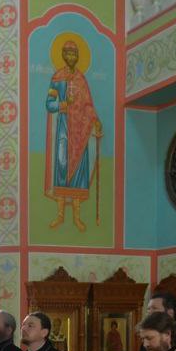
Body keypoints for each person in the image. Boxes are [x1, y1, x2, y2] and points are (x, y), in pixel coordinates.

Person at [45, 39, 102, 231]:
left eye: (74, 54)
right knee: (62, 170)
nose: (71, 57)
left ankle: (77, 217)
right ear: (63, 55)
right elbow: (49, 104)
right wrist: (64, 104)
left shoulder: (81, 79)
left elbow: (88, 105)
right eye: (68, 53)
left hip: (80, 133)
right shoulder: (57, 78)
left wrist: (96, 121)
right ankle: (60, 215)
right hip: (64, 131)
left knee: (79, 173)